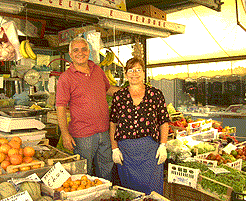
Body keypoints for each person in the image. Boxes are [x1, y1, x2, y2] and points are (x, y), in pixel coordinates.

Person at [56, 37, 119, 181]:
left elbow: (108, 90)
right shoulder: (65, 78)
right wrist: (65, 134)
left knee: (106, 171)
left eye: (84, 49)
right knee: (84, 175)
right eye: (75, 50)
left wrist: (131, 91)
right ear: (70, 54)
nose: (80, 53)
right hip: (82, 135)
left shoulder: (97, 70)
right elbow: (60, 107)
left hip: (105, 132)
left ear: (89, 52)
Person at [109, 57, 169, 195]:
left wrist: (163, 145)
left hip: (150, 152)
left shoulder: (156, 94)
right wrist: (114, 148)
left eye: (138, 70)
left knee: (152, 190)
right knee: (129, 191)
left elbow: (164, 121)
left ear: (143, 73)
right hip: (126, 153)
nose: (134, 73)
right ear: (125, 74)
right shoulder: (119, 96)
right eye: (130, 70)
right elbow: (113, 123)